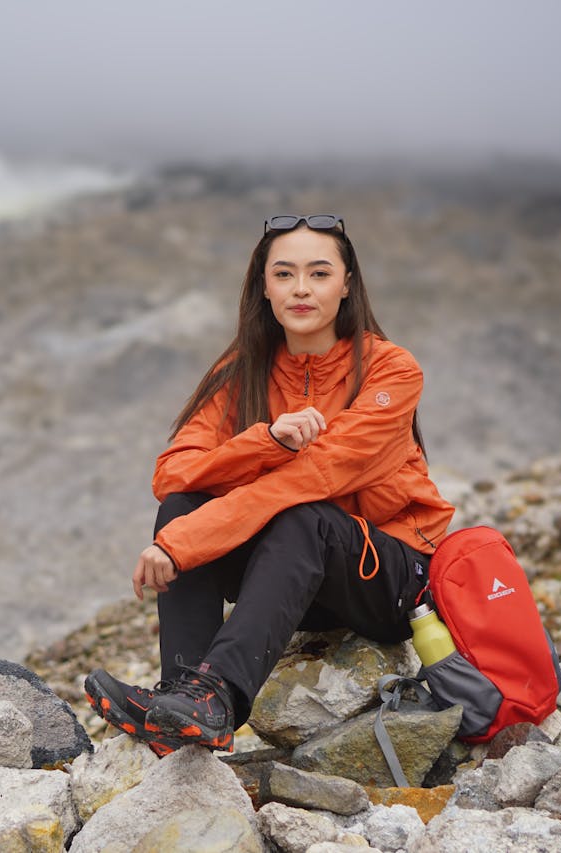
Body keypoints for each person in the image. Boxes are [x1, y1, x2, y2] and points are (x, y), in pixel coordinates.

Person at [84, 214, 456, 756]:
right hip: (290, 582)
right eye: (283, 274)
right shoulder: (244, 369)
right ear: (264, 286)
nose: (300, 289)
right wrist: (267, 442)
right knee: (185, 505)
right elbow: (172, 474)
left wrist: (183, 545)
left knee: (304, 516)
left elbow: (315, 477)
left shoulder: (391, 370)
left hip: (389, 577)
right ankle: (180, 706)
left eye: (319, 273)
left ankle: (216, 698)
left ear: (347, 284)